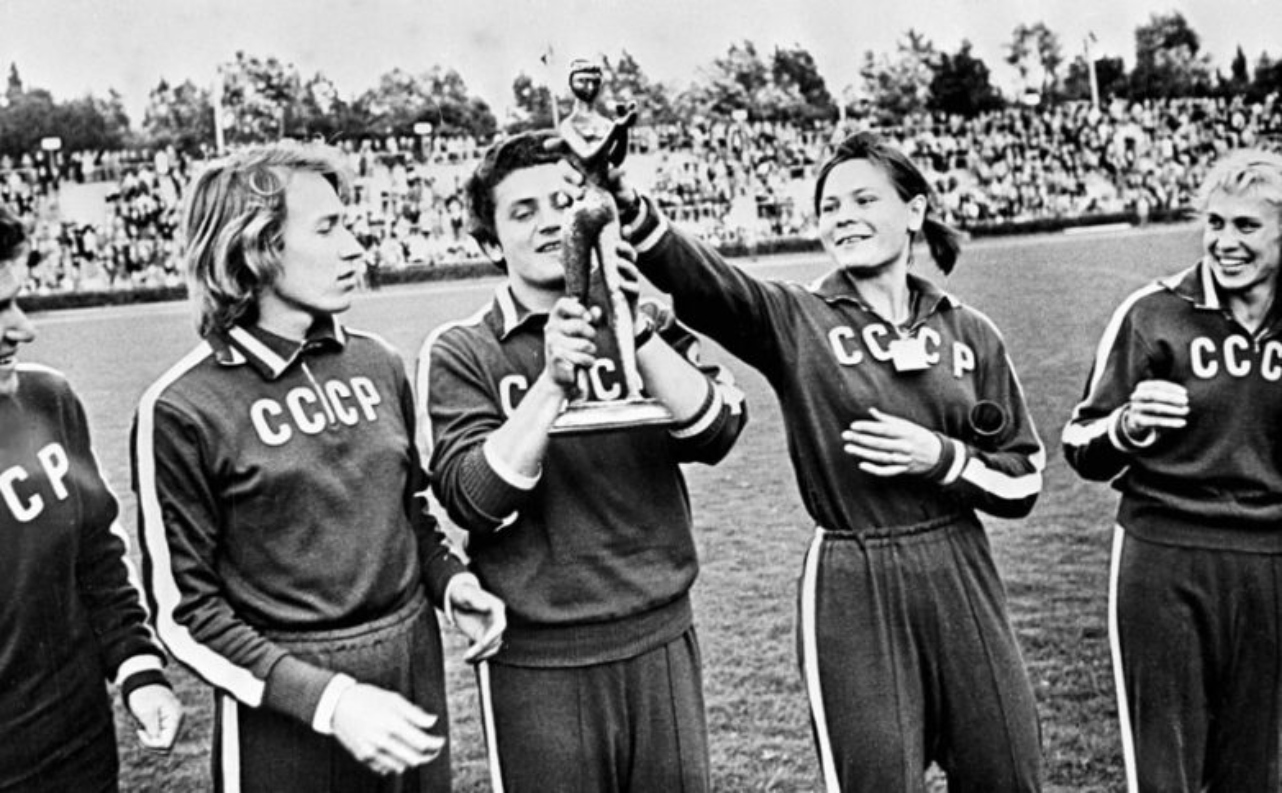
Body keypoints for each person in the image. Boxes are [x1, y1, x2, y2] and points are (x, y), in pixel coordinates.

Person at [614, 130, 1045, 792]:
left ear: (915, 211)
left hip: (962, 566)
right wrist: (628, 203)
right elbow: (708, 282)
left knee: (1008, 770)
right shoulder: (798, 318)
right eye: (829, 207)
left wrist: (943, 458)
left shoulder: (970, 331)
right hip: (853, 571)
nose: (843, 217)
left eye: (864, 200)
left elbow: (1022, 481)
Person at [132, 142, 505, 793]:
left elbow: (407, 512)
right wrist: (329, 701)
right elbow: (185, 612)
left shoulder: (379, 362)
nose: (356, 248)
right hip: (287, 712)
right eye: (328, 228)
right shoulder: (182, 407)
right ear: (254, 245)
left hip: (411, 679)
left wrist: (452, 585)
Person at [417, 130, 747, 793]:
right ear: (490, 243)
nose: (552, 223)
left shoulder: (647, 322)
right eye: (523, 211)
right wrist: (550, 384)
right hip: (541, 657)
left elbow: (715, 431)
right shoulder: (463, 350)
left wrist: (629, 322)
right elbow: (475, 500)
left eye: (565, 203)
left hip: (661, 633)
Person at [1063, 148, 1282, 793]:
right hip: (1165, 556)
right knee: (1165, 769)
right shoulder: (1153, 313)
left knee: (1260, 769)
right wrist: (1128, 425)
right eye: (1215, 223)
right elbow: (1079, 442)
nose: (1225, 242)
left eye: (1247, 226)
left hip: (1272, 561)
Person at [0, 205, 182, 792]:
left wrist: (138, 668)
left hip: (81, 747)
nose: (22, 329)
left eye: (16, 302)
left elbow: (97, 556)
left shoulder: (48, 400)